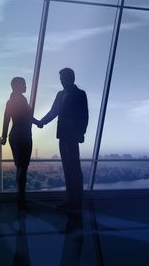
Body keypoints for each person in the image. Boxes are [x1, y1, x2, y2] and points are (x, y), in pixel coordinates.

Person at [38, 68, 88, 210]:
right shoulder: (60, 95)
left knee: (74, 168)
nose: (61, 81)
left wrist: (80, 134)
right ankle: (71, 199)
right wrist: (42, 122)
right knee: (67, 168)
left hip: (72, 136)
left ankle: (77, 200)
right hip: (63, 135)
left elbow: (84, 116)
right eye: (60, 79)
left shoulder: (80, 94)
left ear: (71, 78)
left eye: (63, 78)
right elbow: (54, 111)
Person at [2, 77, 42, 211]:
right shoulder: (22, 100)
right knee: (23, 168)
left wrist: (4, 137)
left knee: (20, 167)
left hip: (14, 136)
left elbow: (6, 120)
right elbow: (28, 117)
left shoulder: (10, 101)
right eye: (24, 84)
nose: (26, 86)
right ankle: (21, 199)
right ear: (17, 86)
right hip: (23, 136)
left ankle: (20, 198)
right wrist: (39, 123)